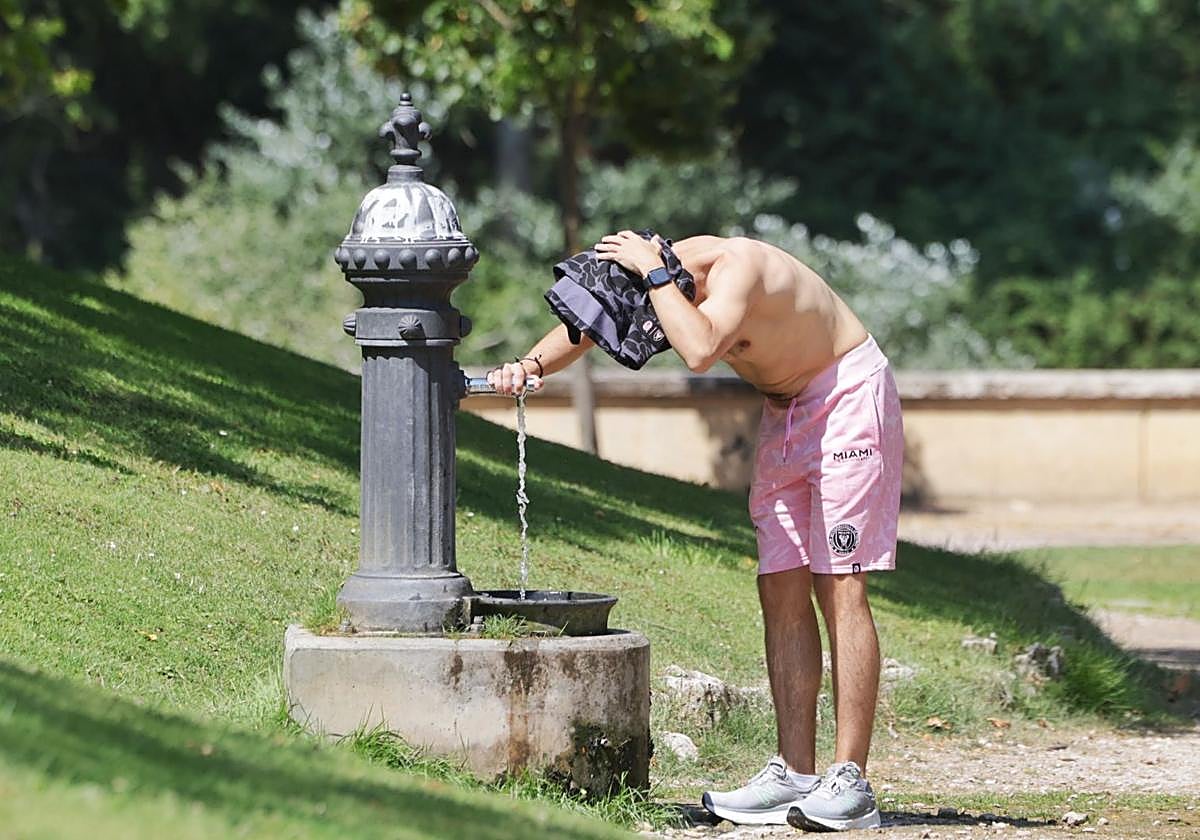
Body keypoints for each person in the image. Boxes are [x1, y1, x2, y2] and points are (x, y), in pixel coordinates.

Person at [488, 230, 902, 832]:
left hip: (846, 401)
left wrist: (655, 277)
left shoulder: (736, 267)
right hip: (784, 412)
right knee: (780, 586)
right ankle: (794, 772)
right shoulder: (661, 268)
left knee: (839, 583)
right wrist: (529, 366)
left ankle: (851, 782)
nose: (651, 329)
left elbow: (701, 350)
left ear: (672, 275)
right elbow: (591, 322)